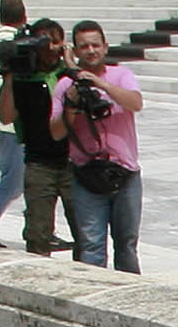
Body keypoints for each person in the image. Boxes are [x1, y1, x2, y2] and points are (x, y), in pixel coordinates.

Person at [54, 20, 143, 271]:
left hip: (125, 171)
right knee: (91, 244)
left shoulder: (121, 75)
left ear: (105, 47)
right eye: (84, 46)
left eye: (95, 45)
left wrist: (101, 84)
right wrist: (72, 105)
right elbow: (57, 132)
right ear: (76, 51)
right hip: (86, 173)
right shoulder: (65, 85)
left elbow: (135, 103)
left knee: (126, 243)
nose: (91, 50)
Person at [0, 15, 71, 258]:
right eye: (45, 42)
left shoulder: (68, 74)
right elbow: (5, 116)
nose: (51, 49)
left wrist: (71, 65)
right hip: (39, 163)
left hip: (73, 161)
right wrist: (10, 74)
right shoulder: (24, 78)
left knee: (85, 229)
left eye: (56, 42)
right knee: (38, 233)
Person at [0, 0, 36, 243]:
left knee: (17, 179)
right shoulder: (25, 46)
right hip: (13, 125)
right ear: (24, 16)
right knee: (13, 183)